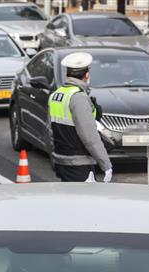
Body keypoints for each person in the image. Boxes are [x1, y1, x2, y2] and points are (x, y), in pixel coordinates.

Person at [48, 52, 113, 182]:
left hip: (61, 161)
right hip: (79, 164)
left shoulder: (56, 95)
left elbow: (49, 130)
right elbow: (89, 137)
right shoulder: (78, 98)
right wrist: (106, 165)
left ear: (67, 74)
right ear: (87, 75)